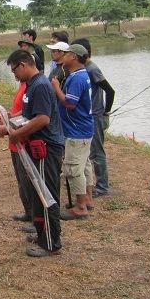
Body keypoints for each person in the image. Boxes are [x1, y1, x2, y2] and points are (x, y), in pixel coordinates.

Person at [0, 49, 64, 257]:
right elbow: (27, 114)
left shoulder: (41, 85)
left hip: (46, 148)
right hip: (35, 147)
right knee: (37, 194)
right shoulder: (31, 85)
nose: (14, 75)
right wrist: (9, 119)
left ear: (23, 65)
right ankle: (43, 234)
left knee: (46, 195)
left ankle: (51, 244)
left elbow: (42, 119)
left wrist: (12, 133)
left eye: (14, 70)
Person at [50, 43, 94, 220]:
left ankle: (80, 206)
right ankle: (88, 199)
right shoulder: (80, 75)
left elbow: (70, 103)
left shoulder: (77, 78)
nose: (63, 56)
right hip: (83, 128)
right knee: (85, 165)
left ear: (74, 57)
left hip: (77, 130)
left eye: (66, 54)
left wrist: (56, 87)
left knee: (73, 168)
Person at [71, 38, 115, 197]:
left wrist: (105, 112)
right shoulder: (85, 69)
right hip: (91, 116)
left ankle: (102, 186)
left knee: (97, 152)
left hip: (96, 116)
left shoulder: (92, 69)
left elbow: (110, 91)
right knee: (91, 152)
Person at [8, 81, 34, 226]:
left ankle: (34, 217)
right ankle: (28, 212)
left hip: (23, 142)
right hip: (15, 142)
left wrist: (11, 120)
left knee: (27, 181)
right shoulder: (23, 86)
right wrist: (9, 116)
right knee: (21, 181)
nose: (14, 74)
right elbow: (20, 110)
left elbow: (28, 113)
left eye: (15, 69)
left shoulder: (33, 87)